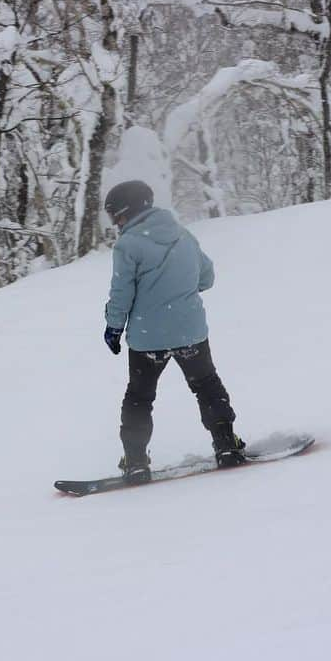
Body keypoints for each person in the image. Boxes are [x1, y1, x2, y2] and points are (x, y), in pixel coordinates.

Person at [102, 180, 245, 485]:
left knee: (139, 397)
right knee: (207, 384)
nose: (116, 224)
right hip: (189, 333)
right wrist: (178, 293)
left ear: (130, 210)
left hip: (147, 338)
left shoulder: (127, 245)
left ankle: (136, 461)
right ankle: (226, 444)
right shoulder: (184, 235)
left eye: (118, 217)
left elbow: (121, 292)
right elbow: (206, 276)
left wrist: (114, 327)